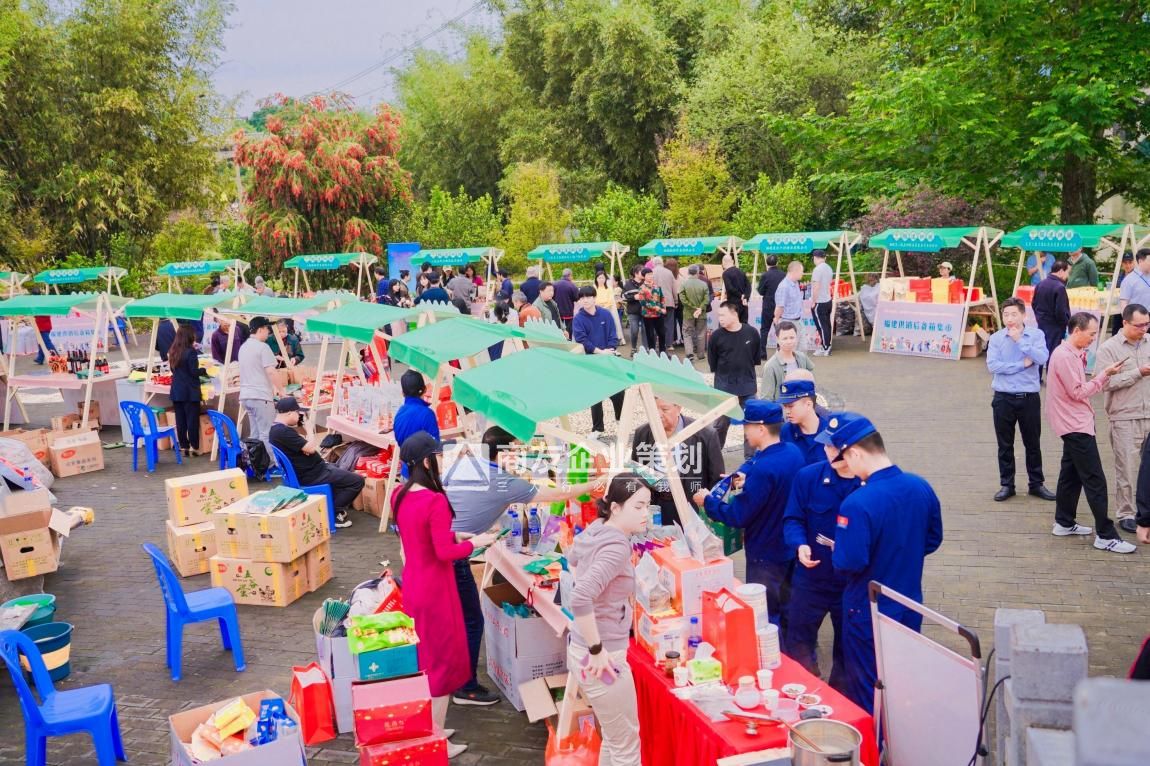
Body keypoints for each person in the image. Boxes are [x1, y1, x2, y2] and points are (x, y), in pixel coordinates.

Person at [446, 426, 605, 707]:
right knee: (471, 621)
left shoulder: (466, 463)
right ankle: (466, 688)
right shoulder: (504, 482)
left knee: (455, 618)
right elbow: (558, 494)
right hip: (454, 555)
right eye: (516, 450)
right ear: (504, 453)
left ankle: (451, 675)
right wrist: (596, 483)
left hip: (443, 544)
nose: (520, 456)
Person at [821, 413, 944, 713]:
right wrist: (900, 553)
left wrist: (842, 549)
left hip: (867, 609)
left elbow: (848, 563)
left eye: (844, 459)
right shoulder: (920, 486)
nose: (846, 467)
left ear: (855, 453)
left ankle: (876, 741)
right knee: (902, 682)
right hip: (909, 602)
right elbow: (932, 539)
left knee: (868, 690)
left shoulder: (857, 503)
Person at [392, 432, 497, 758]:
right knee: (441, 665)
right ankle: (435, 738)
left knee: (427, 660)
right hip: (436, 589)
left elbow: (422, 537)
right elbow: (443, 552)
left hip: (415, 585)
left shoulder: (399, 494)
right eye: (438, 456)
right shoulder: (435, 500)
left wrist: (457, 535)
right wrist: (474, 543)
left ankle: (432, 727)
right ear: (427, 461)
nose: (441, 461)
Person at [693, 400, 804, 625]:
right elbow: (758, 467)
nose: (744, 432)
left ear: (761, 429)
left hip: (766, 552)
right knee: (788, 610)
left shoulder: (764, 469)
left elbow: (738, 515)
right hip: (789, 547)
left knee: (765, 615)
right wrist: (744, 476)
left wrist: (708, 502)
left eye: (747, 426)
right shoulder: (792, 453)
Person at [568, 473, 652, 766]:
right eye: (638, 506)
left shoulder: (597, 528)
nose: (645, 514)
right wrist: (597, 649)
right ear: (615, 507)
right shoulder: (617, 546)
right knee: (626, 744)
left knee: (615, 739)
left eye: (647, 506)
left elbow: (572, 557)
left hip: (582, 649)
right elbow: (581, 596)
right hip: (602, 657)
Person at [1046, 312, 1134, 553]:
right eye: (1092, 333)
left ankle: (1064, 522)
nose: (1094, 338)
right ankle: (1105, 535)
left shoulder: (1071, 353)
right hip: (1075, 425)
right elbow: (1078, 392)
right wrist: (1105, 375)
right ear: (1077, 331)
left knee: (1071, 474)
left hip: (1073, 422)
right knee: (1095, 480)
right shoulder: (1065, 356)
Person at [782, 439, 860, 690]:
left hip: (850, 584)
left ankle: (839, 697)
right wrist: (799, 544)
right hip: (811, 579)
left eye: (834, 446)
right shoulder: (808, 477)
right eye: (826, 445)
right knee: (799, 642)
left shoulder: (869, 484)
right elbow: (793, 518)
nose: (828, 451)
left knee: (848, 650)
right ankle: (803, 688)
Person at [986, 297, 1055, 502]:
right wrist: (1021, 365)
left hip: (1028, 397)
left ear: (1024, 315)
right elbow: (993, 366)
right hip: (1003, 398)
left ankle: (1036, 484)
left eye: (1014, 314)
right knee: (1004, 444)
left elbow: (1042, 358)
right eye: (1006, 314)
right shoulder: (996, 338)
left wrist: (1020, 341)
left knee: (1032, 443)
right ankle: (1007, 485)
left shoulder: (1036, 335)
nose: (1009, 319)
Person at [1094, 303, 1150, 533]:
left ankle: (1146, 513)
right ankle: (1126, 513)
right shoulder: (1108, 349)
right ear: (1125, 322)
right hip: (1124, 416)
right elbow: (1105, 384)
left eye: (1147, 324)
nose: (1144, 329)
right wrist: (1138, 373)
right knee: (1126, 468)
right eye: (1139, 325)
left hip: (1149, 413)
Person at [631, 397, 723, 528]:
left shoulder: (704, 434)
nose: (658, 414)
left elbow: (716, 479)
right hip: (654, 504)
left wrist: (709, 507)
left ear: (678, 407)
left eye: (664, 409)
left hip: (689, 505)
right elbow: (636, 472)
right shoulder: (642, 433)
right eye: (653, 409)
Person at [271, 397, 360, 528]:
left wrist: (307, 448)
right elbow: (311, 448)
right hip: (312, 474)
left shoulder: (276, 430)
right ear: (290, 413)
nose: (299, 416)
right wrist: (309, 430)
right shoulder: (283, 431)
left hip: (308, 470)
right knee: (357, 481)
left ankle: (333, 506)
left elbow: (305, 447)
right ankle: (333, 512)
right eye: (298, 413)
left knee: (342, 468)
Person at [708, 301, 763, 451]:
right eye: (718, 315)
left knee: (752, 422)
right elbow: (713, 362)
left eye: (723, 315)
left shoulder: (752, 332)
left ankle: (750, 458)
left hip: (747, 385)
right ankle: (714, 454)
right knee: (720, 424)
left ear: (734, 314)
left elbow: (755, 358)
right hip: (724, 387)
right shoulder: (716, 336)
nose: (720, 318)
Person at [573, 286, 625, 435]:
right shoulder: (578, 319)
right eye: (582, 298)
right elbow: (582, 340)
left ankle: (621, 420)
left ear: (594, 298)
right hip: (592, 360)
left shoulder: (605, 314)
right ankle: (597, 428)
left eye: (588, 297)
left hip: (609, 358)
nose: (585, 300)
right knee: (595, 395)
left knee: (618, 391)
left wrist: (609, 350)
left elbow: (613, 335)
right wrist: (600, 352)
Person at [238, 317, 283, 460]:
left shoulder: (243, 347)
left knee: (255, 434)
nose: (268, 332)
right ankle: (272, 464)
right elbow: (271, 371)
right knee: (267, 434)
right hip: (261, 396)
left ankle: (255, 463)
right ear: (261, 329)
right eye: (267, 329)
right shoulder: (263, 347)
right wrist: (282, 391)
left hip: (246, 396)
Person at [167, 324, 206, 457]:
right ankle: (194, 447)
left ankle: (184, 446)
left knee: (181, 421)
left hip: (177, 390)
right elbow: (194, 372)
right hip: (190, 391)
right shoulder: (191, 352)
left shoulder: (173, 350)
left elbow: (173, 370)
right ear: (189, 336)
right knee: (192, 420)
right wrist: (204, 370)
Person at [760, 320, 814, 401]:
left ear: (796, 337)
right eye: (784, 338)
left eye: (792, 337)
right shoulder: (770, 366)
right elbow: (766, 399)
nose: (789, 342)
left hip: (802, 404)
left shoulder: (802, 357)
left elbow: (810, 377)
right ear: (777, 339)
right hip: (782, 406)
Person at [778, 379, 828, 465]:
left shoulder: (830, 432)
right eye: (785, 407)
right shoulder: (785, 432)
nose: (787, 412)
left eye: (790, 406)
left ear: (808, 405)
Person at [1033, 260, 1071, 360]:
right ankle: (1051, 371)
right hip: (1055, 326)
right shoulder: (1060, 287)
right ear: (1061, 271)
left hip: (1042, 323)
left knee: (1041, 350)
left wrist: (1039, 317)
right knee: (1053, 354)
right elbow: (1060, 311)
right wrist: (1065, 323)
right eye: (1067, 272)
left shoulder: (1040, 284)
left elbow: (1034, 304)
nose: (1068, 275)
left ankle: (1039, 371)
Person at [394, 370, 440, 448]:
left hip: (405, 455)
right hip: (423, 455)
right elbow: (435, 446)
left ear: (403, 393)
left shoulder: (399, 413)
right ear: (425, 389)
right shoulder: (427, 414)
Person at [678, 264, 710, 362]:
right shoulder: (703, 284)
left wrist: (692, 307)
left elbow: (682, 299)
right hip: (701, 313)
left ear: (688, 272)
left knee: (687, 333)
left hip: (688, 313)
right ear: (698, 272)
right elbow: (707, 299)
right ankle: (701, 354)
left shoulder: (684, 284)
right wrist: (700, 308)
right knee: (701, 333)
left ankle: (690, 354)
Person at [757, 255, 785, 356]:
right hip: (780, 305)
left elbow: (760, 291)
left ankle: (762, 353)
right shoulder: (783, 275)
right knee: (780, 329)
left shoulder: (765, 275)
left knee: (764, 329)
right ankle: (781, 351)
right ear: (777, 263)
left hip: (768, 305)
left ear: (767, 263)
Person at [809, 250, 835, 356]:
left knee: (821, 325)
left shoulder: (817, 270)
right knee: (827, 324)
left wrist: (813, 301)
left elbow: (816, 286)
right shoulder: (829, 268)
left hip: (819, 301)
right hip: (828, 299)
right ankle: (827, 345)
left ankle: (825, 347)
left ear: (815, 258)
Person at [649, 256, 678, 347]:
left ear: (653, 264)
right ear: (662, 263)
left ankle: (655, 344)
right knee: (669, 324)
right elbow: (674, 288)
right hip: (669, 301)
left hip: (655, 302)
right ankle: (669, 344)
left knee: (655, 323)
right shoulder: (669, 272)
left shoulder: (650, 273)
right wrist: (676, 301)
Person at [637, 268, 666, 353]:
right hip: (648, 315)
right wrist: (657, 308)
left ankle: (663, 352)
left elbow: (662, 298)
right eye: (648, 275)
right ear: (644, 276)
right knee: (650, 335)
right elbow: (643, 302)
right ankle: (652, 352)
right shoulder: (642, 288)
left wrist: (663, 307)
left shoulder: (657, 286)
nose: (650, 276)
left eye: (651, 274)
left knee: (662, 333)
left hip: (659, 314)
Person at [721, 252, 751, 324]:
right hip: (744, 304)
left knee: (733, 325)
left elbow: (730, 288)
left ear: (724, 262)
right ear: (732, 261)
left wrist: (740, 296)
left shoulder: (726, 274)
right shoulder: (741, 271)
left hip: (733, 304)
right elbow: (748, 286)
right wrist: (745, 297)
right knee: (744, 325)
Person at [621, 265, 645, 350]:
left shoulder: (646, 283)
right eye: (642, 272)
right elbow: (623, 296)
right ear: (636, 273)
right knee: (634, 331)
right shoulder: (628, 284)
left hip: (646, 311)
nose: (644, 273)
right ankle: (634, 348)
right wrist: (634, 297)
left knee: (645, 331)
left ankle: (646, 349)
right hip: (633, 311)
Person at [774, 261, 805, 327]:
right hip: (788, 322)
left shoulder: (796, 283)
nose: (803, 273)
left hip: (798, 320)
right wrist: (776, 319)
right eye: (801, 271)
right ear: (795, 271)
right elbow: (779, 307)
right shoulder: (784, 286)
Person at [553, 269, 580, 337]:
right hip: (568, 311)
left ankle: (559, 340)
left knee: (558, 328)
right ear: (570, 275)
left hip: (556, 311)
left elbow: (551, 296)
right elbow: (577, 298)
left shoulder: (554, 284)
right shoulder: (572, 285)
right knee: (569, 329)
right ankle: (569, 340)